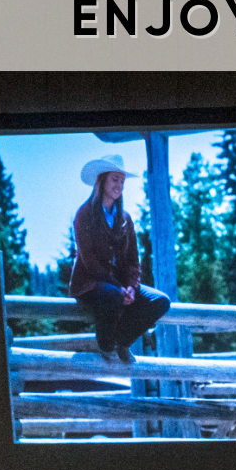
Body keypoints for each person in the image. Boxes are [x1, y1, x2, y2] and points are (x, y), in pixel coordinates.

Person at [69, 153, 170, 363]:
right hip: (93, 284)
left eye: (122, 181)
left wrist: (132, 286)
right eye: (115, 179)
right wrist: (119, 287)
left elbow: (134, 260)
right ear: (102, 179)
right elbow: (90, 261)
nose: (119, 185)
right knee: (112, 295)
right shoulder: (84, 215)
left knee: (160, 301)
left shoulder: (125, 218)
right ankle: (106, 345)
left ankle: (122, 342)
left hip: (120, 286)